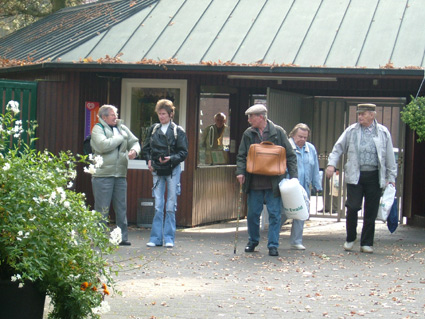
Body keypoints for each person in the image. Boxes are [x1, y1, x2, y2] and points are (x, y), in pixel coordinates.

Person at [326, 103, 396, 253]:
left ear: (372, 115)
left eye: (363, 114)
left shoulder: (383, 132)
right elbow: (338, 147)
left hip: (374, 175)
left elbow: (390, 156)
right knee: (353, 206)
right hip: (355, 175)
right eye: (359, 114)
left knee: (371, 210)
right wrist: (331, 164)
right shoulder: (351, 130)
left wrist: (391, 177)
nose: (360, 117)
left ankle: (367, 243)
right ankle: (351, 238)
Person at [236, 104, 298, 257]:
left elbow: (290, 155)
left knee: (275, 214)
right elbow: (241, 155)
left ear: (261, 117)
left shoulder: (278, 132)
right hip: (254, 181)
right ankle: (253, 241)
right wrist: (240, 172)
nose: (249, 120)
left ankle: (273, 245)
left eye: (251, 117)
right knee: (252, 214)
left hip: (274, 182)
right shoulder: (248, 134)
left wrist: (294, 177)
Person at [90, 104, 140, 246]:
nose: (116, 117)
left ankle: (122, 238)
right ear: (104, 117)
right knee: (102, 208)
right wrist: (120, 138)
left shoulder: (122, 128)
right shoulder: (97, 129)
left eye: (116, 114)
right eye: (113, 115)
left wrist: (135, 151)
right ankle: (99, 238)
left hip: (120, 174)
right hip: (102, 175)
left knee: (121, 207)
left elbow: (135, 142)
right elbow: (102, 146)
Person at [142, 99, 188, 248]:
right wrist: (149, 161)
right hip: (156, 169)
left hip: (173, 169)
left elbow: (183, 152)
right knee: (158, 204)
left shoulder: (178, 131)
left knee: (170, 204)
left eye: (163, 114)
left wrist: (171, 159)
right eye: (159, 114)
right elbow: (146, 148)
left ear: (170, 114)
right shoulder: (153, 129)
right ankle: (155, 238)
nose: (161, 117)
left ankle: (169, 238)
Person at [284, 123, 322, 250]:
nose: (303, 140)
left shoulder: (310, 148)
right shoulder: (286, 146)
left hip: (304, 186)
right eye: (300, 136)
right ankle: (272, 238)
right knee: (282, 214)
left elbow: (315, 167)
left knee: (301, 213)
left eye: (305, 137)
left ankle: (296, 241)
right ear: (293, 135)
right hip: (288, 187)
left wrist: (317, 184)